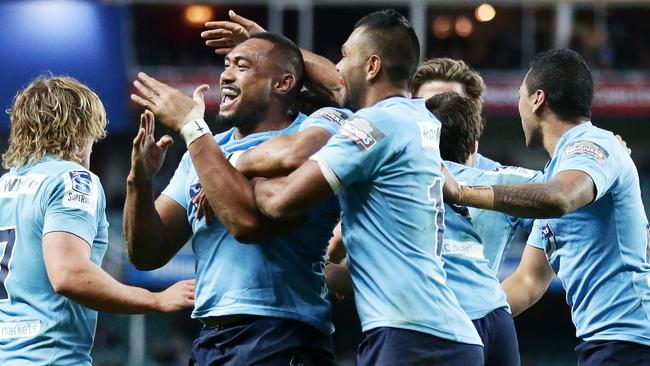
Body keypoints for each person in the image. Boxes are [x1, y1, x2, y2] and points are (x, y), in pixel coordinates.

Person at [250, 10, 484, 365]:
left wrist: (233, 166)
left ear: (372, 66)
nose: (338, 67)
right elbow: (335, 83)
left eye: (345, 55)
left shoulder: (375, 124)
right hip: (451, 337)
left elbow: (281, 202)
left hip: (409, 339)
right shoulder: (418, 116)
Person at [126, 32, 341, 365]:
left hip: (281, 335)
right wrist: (139, 182)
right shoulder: (205, 151)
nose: (225, 75)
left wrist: (193, 128)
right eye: (226, 65)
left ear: (282, 84)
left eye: (242, 66)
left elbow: (246, 223)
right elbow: (147, 253)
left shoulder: (306, 142)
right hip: (211, 337)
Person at [445, 49, 650, 365]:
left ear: (537, 100)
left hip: (631, 340)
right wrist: (453, 323)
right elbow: (529, 279)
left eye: (519, 97)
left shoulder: (593, 145)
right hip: (603, 342)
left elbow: (559, 197)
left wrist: (462, 192)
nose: (518, 108)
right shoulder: (555, 177)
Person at [0, 75, 195, 366]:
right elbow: (69, 274)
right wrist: (156, 300)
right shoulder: (72, 179)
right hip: (49, 357)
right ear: (81, 129)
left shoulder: (6, 185)